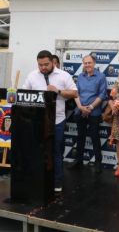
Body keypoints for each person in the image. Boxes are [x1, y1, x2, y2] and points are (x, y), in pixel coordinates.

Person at [23, 50, 78, 192]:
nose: (43, 68)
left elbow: (74, 93)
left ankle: (57, 181)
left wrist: (58, 91)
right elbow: (24, 94)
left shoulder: (63, 75)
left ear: (52, 62)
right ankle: (38, 179)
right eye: (40, 65)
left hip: (57, 121)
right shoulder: (32, 76)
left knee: (56, 152)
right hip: (37, 121)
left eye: (46, 64)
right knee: (37, 151)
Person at [69, 54, 107, 173]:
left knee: (95, 136)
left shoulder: (101, 77)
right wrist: (80, 107)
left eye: (89, 62)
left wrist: (90, 107)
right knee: (80, 136)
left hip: (94, 112)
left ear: (94, 63)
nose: (87, 65)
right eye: (85, 63)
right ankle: (78, 160)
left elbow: (102, 95)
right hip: (80, 110)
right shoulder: (80, 76)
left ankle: (98, 162)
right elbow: (76, 94)